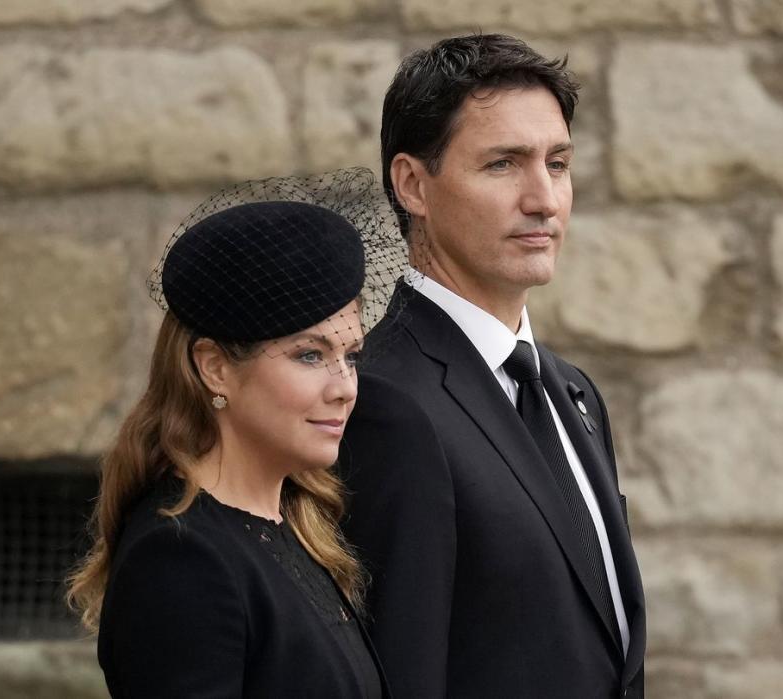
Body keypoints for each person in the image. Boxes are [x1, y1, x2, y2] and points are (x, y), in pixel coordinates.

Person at [338, 34, 646, 698]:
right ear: (413, 184)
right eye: (505, 164)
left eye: (557, 163)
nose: (544, 199)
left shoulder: (574, 393)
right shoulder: (382, 401)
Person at [68, 171, 403, 698]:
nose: (345, 389)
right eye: (310, 355)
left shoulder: (292, 524)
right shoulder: (182, 560)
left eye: (350, 356)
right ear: (215, 368)